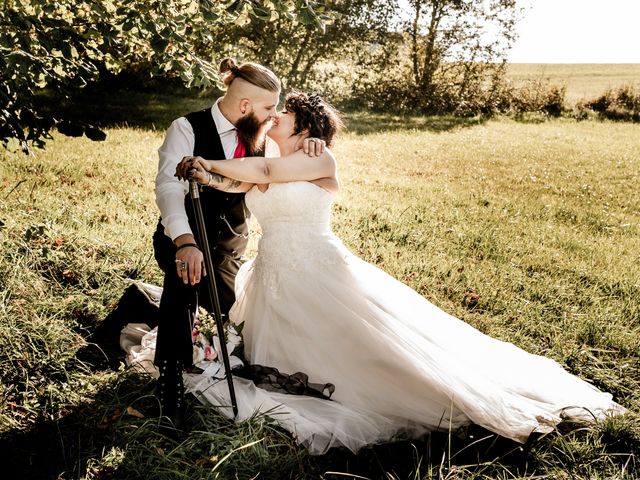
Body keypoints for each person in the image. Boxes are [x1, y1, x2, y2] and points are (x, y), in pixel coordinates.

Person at [172, 92, 627, 454]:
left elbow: (268, 169)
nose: (275, 116)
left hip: (319, 270)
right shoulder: (262, 158)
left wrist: (210, 163)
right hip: (274, 275)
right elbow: (245, 177)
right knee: (289, 353)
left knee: (366, 351)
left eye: (285, 112)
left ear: (306, 127)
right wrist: (207, 174)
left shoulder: (319, 159)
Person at [153, 59, 323, 426]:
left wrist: (311, 140)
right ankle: (170, 375)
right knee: (183, 282)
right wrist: (185, 242)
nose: (274, 116)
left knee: (226, 307)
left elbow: (258, 177)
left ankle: (214, 353)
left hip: (231, 241)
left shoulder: (260, 133)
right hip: (183, 234)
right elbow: (168, 189)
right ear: (245, 105)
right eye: (268, 108)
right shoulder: (185, 127)